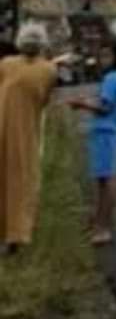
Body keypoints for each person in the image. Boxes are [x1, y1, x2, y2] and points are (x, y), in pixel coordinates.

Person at [0, 23, 56, 254]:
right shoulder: (49, 70)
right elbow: (44, 100)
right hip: (28, 131)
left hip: (3, 126)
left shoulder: (6, 64)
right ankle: (17, 233)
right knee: (23, 180)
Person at [68, 39, 116, 246]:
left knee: (107, 179)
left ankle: (103, 227)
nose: (103, 60)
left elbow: (105, 107)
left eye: (107, 55)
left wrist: (81, 104)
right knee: (103, 180)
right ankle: (99, 222)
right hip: (107, 131)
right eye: (101, 55)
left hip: (105, 131)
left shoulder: (113, 78)